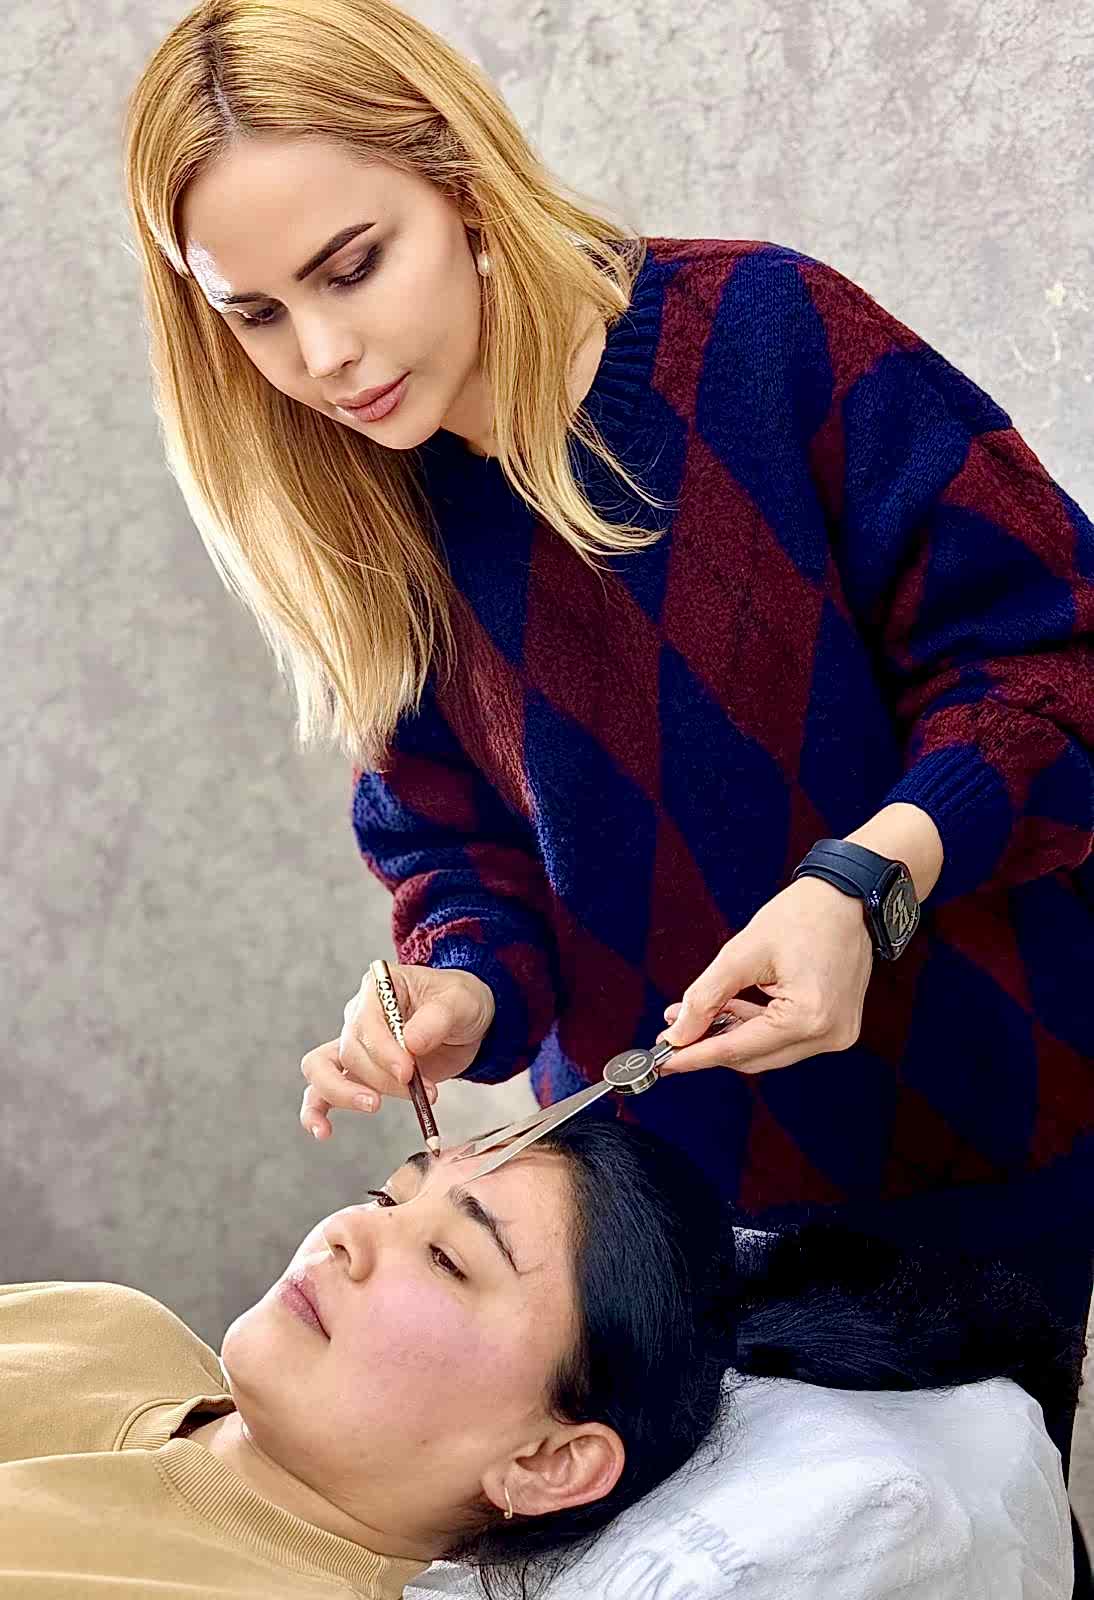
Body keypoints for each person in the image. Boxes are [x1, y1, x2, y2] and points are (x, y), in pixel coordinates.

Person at [121, 0, 1094, 1586]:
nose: (324, 356)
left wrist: (865, 883)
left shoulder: (768, 341)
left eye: (352, 267)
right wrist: (456, 989)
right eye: (256, 315)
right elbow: (455, 849)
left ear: (459, 177)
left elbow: (1050, 658)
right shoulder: (373, 508)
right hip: (645, 1209)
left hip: (978, 1137)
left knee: (965, 1534)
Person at [0, 1116, 1084, 1598]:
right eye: (390, 1194)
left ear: (548, 1461)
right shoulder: (106, 1323)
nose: (349, 1231)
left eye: (446, 1256)